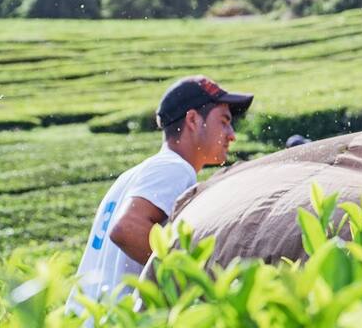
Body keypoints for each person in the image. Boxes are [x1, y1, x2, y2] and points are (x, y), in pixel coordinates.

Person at [71, 76, 252, 307]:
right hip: (118, 327)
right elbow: (127, 229)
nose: (232, 134)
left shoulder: (134, 174)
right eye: (224, 121)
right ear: (193, 120)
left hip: (88, 326)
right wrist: (195, 282)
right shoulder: (175, 168)